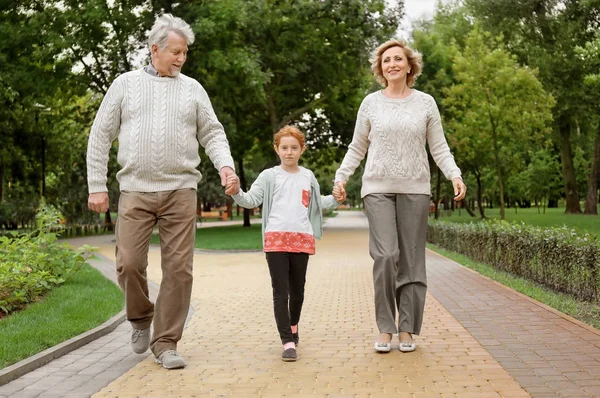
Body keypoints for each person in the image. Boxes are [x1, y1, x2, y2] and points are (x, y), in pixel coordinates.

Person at [86, 14, 239, 369]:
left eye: (184, 53)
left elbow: (212, 134)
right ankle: (140, 317)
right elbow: (99, 136)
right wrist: (97, 185)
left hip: (180, 190)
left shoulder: (193, 89)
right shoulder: (125, 85)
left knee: (179, 270)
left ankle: (166, 341)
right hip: (136, 190)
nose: (181, 58)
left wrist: (226, 166)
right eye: (175, 52)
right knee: (128, 264)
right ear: (154, 49)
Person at [333, 39, 466, 353]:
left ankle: (407, 328)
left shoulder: (425, 103)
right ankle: (385, 327)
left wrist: (454, 173)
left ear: (409, 66)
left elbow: (439, 147)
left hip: (415, 189)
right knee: (386, 255)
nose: (391, 64)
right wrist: (341, 177)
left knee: (411, 260)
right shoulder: (370, 103)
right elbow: (357, 147)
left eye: (397, 59)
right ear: (381, 69)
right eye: (386, 61)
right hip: (377, 189)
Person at [225, 125, 344, 362]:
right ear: (277, 150)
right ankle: (287, 342)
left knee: (297, 293)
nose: (289, 152)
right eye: (284, 148)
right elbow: (250, 200)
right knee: (281, 292)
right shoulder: (269, 176)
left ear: (302, 149)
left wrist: (336, 199)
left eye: (294, 148)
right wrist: (236, 193)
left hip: (301, 239)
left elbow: (317, 203)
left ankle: (293, 325)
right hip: (276, 240)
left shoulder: (308, 176)